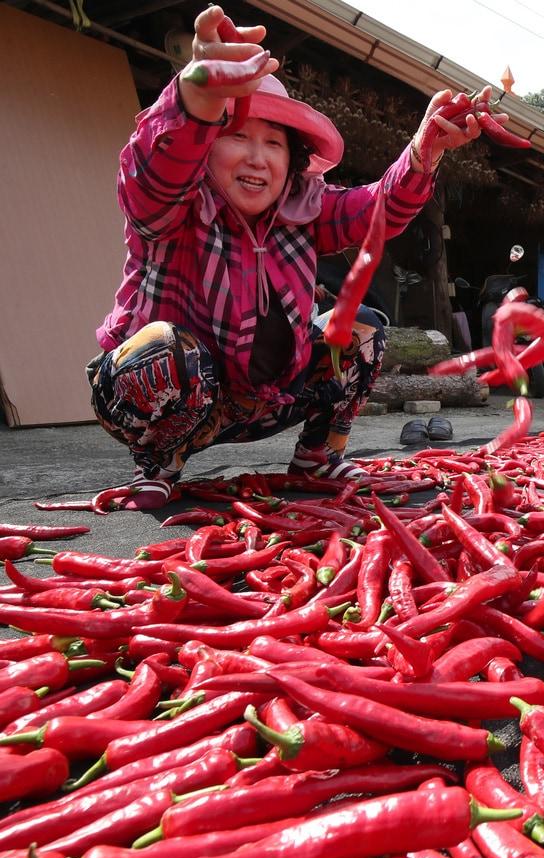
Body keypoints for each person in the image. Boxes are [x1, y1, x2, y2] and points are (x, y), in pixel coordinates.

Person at [91, 5, 492, 509]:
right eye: (237, 136)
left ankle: (316, 455)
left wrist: (424, 151)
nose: (257, 158)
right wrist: (195, 98)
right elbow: (152, 174)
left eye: (274, 144)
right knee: (167, 348)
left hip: (259, 403)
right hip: (166, 399)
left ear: (293, 161)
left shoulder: (304, 213)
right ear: (206, 147)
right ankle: (158, 462)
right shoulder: (173, 209)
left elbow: (377, 212)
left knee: (363, 328)